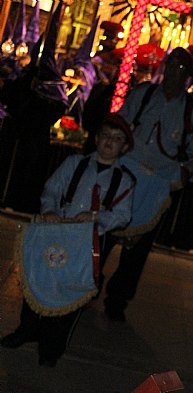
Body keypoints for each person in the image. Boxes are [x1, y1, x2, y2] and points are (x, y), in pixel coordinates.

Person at [0, 113, 134, 366]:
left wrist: (96, 216)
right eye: (105, 135)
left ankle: (52, 344)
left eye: (117, 139)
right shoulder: (75, 163)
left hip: (87, 243)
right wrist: (49, 209)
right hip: (56, 232)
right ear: (96, 138)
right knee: (38, 278)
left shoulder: (124, 179)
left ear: (125, 147)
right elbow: (52, 189)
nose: (109, 142)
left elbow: (122, 216)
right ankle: (26, 329)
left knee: (72, 291)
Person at [101, 47, 193, 321]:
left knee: (137, 251)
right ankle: (87, 283)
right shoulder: (143, 93)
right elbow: (121, 123)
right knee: (104, 236)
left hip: (157, 188)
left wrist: (186, 173)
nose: (173, 72)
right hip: (124, 178)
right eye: (170, 65)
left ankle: (118, 300)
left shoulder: (192, 113)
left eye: (180, 68)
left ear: (188, 77)